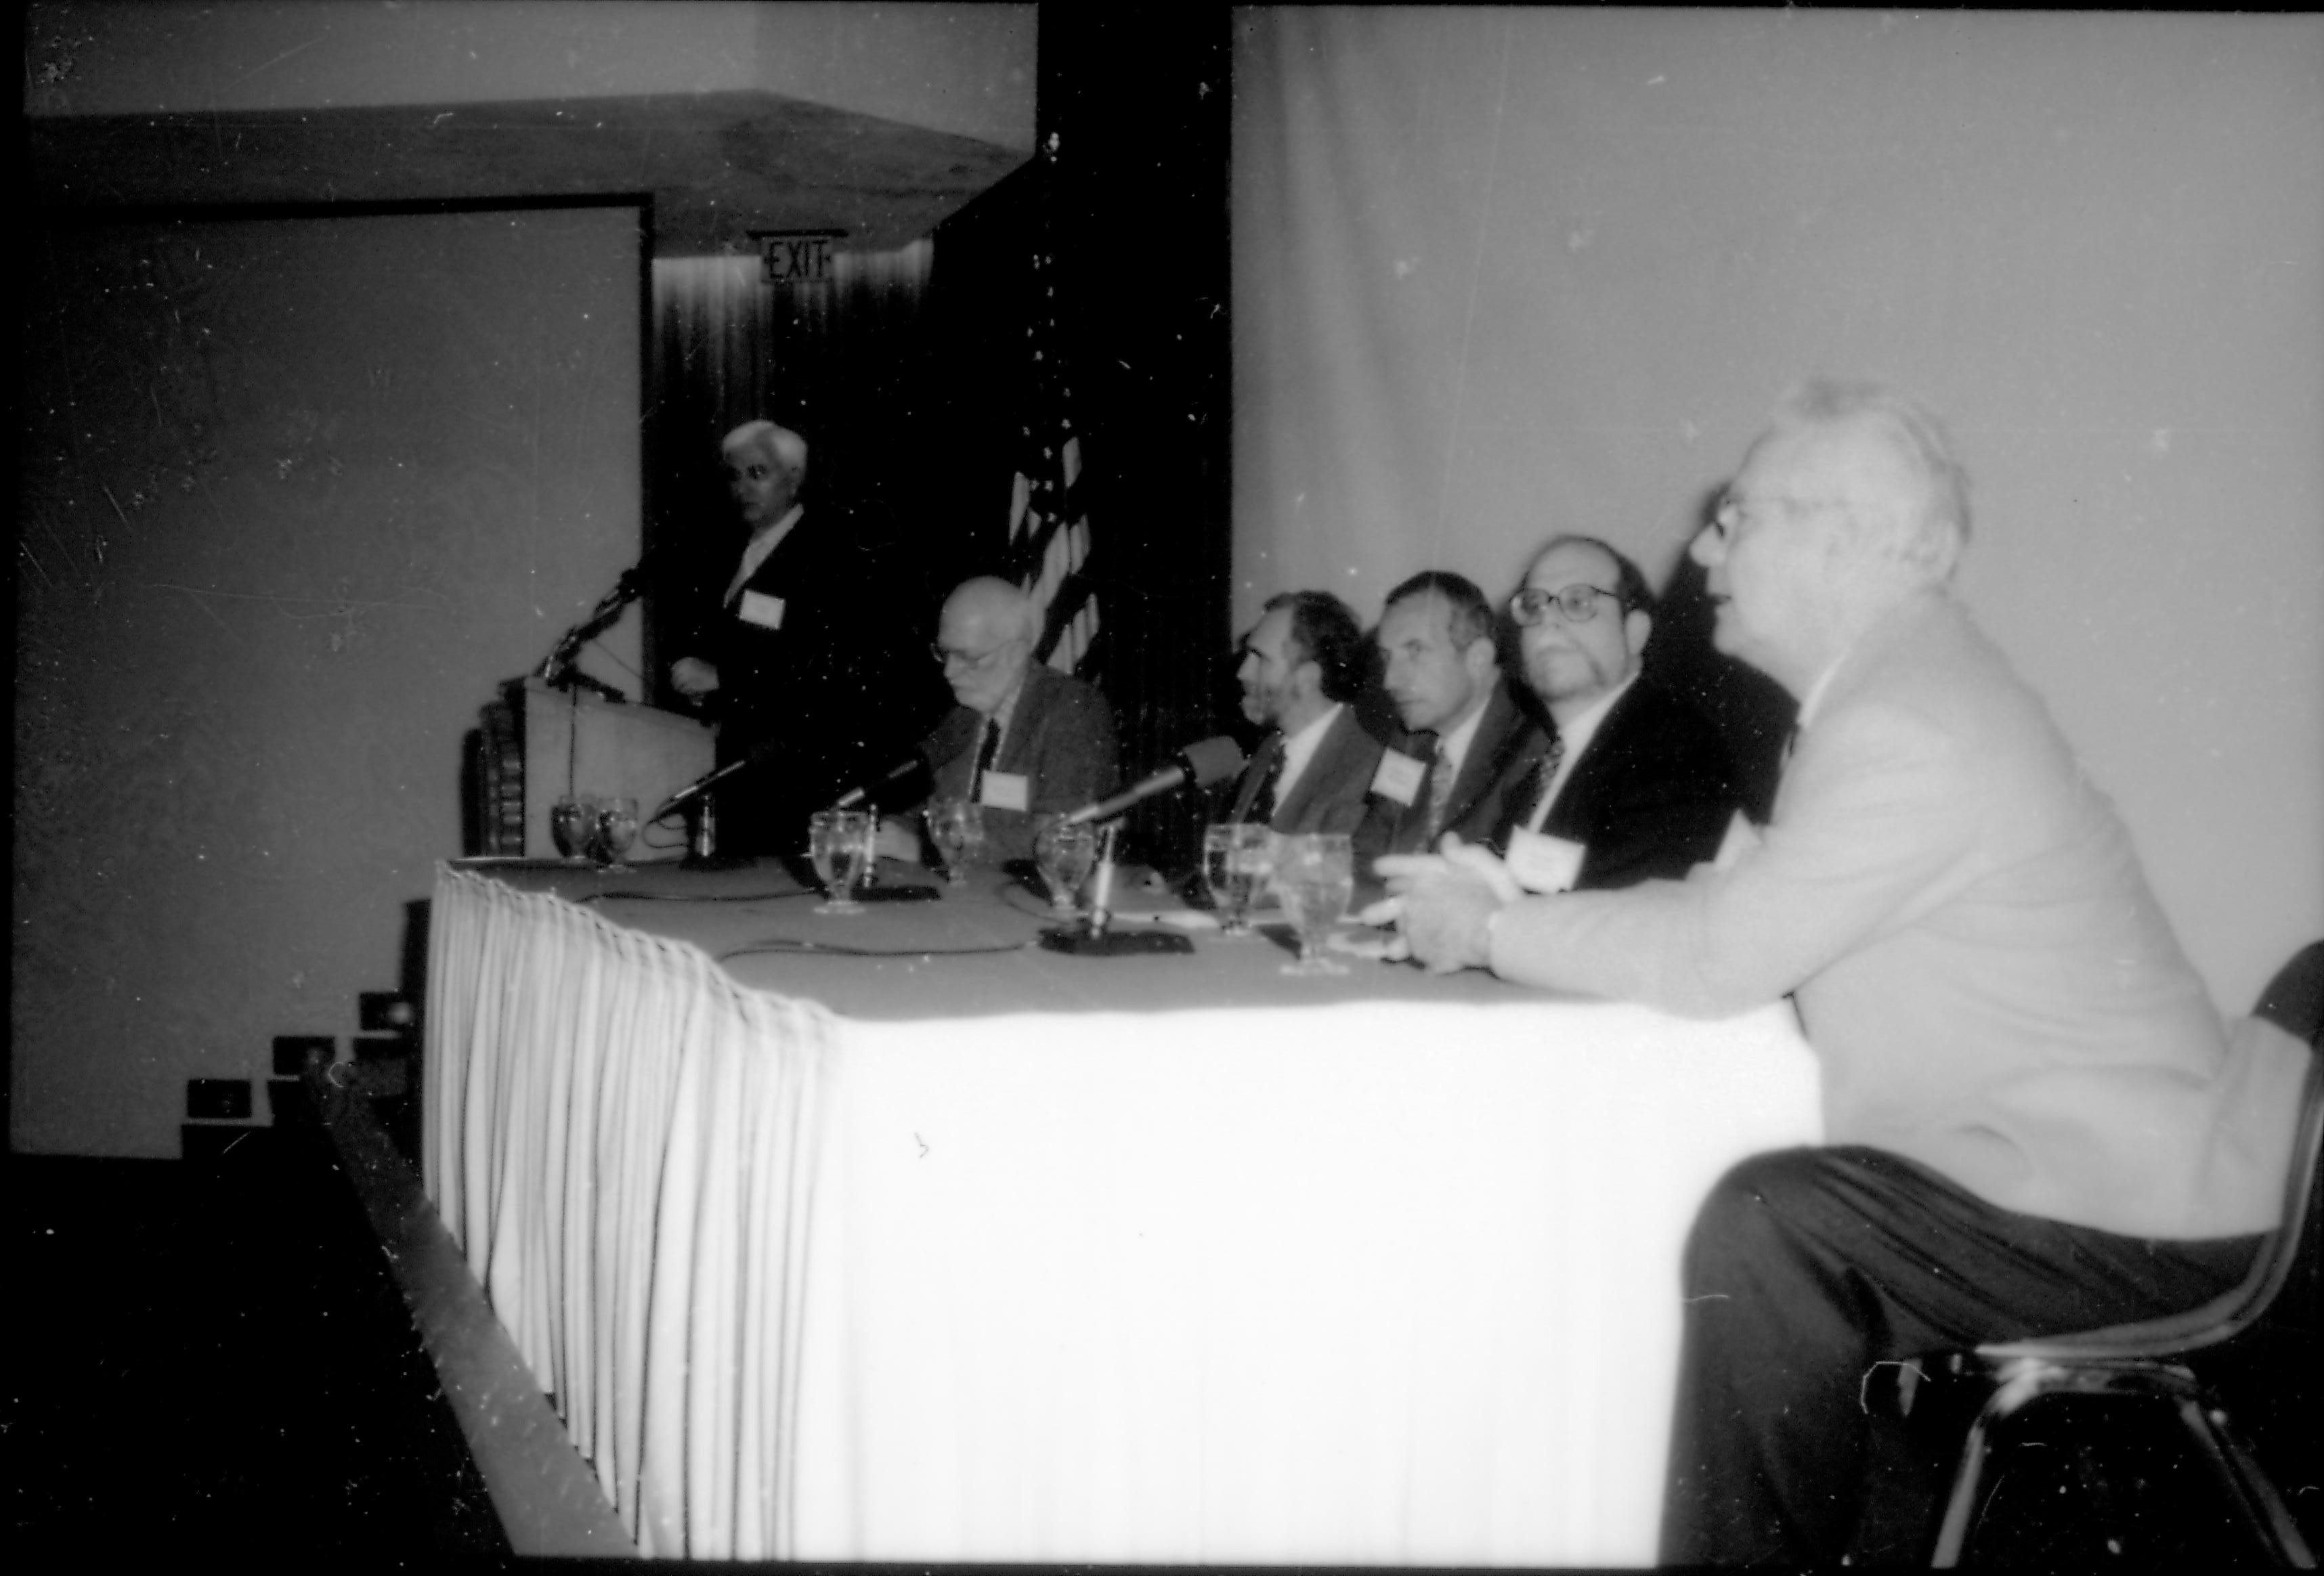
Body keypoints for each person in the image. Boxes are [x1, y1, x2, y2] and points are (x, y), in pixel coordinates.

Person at [1377, 381, 2306, 1563]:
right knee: (1788, 1220)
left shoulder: (1905, 720)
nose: (1703, 546)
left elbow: (1721, 957)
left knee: (1774, 1224)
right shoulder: (1895, 689)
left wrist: (1490, 931)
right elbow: (1739, 903)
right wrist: (1523, 908)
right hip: (2090, 1174)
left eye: (1735, 516)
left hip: (2142, 1214)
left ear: (1839, 536)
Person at [665, 420, 922, 854]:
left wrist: (727, 677)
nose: (743, 487)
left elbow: (836, 665)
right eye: (735, 475)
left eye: (758, 473)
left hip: (807, 770)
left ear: (794, 477)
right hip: (745, 765)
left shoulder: (831, 552)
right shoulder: (729, 553)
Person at [1491, 535, 1740, 892]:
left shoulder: (1675, 754)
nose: (1549, 622)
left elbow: (1627, 918)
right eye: (1533, 605)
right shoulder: (1546, 761)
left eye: (1578, 602)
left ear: (1635, 632)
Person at [888, 577, 1118, 866]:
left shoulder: (1071, 710)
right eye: (944, 653)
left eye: (967, 657)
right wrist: (883, 832)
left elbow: (1056, 837)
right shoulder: (965, 717)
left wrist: (930, 850)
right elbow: (939, 811)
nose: (949, 672)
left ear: (1016, 653)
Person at [1362, 571, 1555, 862]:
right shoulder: (1410, 742)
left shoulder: (1533, 749)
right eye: (1387, 657)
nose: (1390, 680)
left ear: (1478, 658)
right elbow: (1367, 852)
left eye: (1415, 651)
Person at [1223, 590, 1386, 835]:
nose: (1243, 673)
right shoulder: (1268, 753)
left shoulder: (1364, 769)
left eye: (1261, 659)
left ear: (1307, 677)